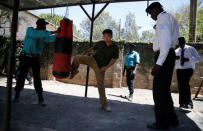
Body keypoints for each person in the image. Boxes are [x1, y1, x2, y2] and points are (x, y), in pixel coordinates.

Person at [146, 2, 179, 129]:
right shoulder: (170, 17)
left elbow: (165, 44)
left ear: (155, 10)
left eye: (151, 14)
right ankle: (171, 120)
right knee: (164, 91)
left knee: (159, 93)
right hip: (167, 55)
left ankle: (162, 124)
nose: (151, 17)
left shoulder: (162, 18)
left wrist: (158, 64)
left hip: (164, 57)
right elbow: (165, 41)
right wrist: (154, 47)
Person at [70, 29, 119, 112]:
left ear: (111, 36)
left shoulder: (115, 47)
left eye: (107, 36)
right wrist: (84, 54)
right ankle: (74, 71)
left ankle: (104, 104)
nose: (105, 38)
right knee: (77, 58)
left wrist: (106, 67)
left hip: (101, 67)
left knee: (101, 84)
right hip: (93, 60)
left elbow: (113, 60)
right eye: (104, 36)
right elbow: (92, 50)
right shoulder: (100, 43)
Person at [13, 18, 59, 106]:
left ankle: (40, 97)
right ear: (38, 25)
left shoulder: (43, 35)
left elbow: (50, 39)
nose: (45, 26)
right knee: (21, 76)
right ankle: (17, 94)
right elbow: (37, 34)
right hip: (25, 56)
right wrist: (53, 32)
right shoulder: (30, 30)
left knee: (37, 77)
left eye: (45, 25)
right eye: (43, 25)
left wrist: (59, 33)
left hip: (35, 58)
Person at [175, 37, 201, 109]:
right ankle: (181, 103)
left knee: (185, 84)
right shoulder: (176, 51)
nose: (180, 44)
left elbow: (198, 58)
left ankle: (188, 103)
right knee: (181, 86)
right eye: (179, 43)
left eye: (182, 42)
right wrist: (175, 59)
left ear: (184, 41)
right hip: (179, 70)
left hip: (188, 69)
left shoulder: (191, 49)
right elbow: (174, 61)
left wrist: (189, 59)